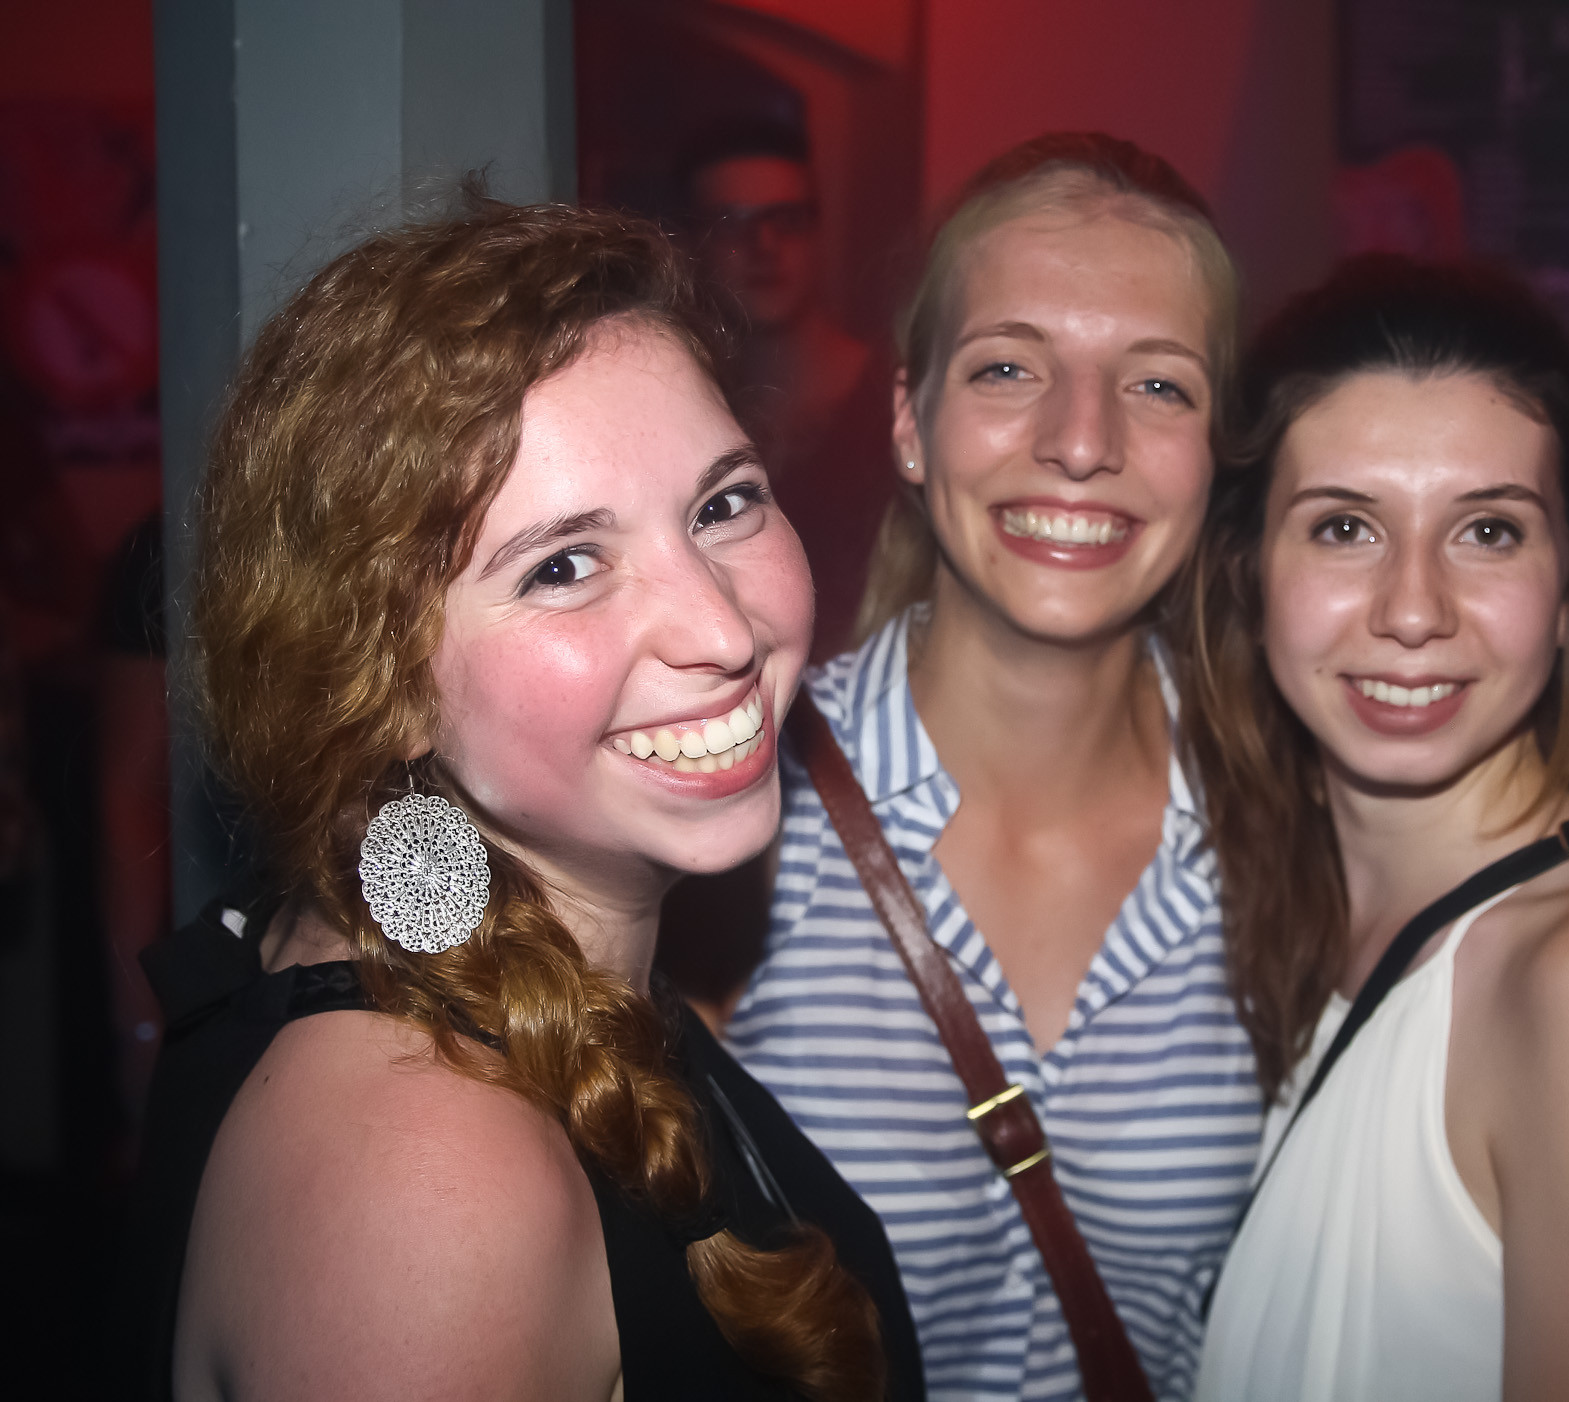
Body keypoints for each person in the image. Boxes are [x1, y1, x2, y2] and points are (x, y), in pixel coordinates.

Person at [120, 195, 922, 1401]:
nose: (721, 630)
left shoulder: (489, 975)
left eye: (724, 503)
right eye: (564, 565)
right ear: (380, 682)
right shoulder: (424, 1174)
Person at [1187, 256, 1569, 1402]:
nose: (1414, 609)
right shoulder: (1291, 912)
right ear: (1250, 573)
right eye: (1344, 526)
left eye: (1490, 532)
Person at [725, 133, 1261, 1401]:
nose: (1080, 441)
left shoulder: (1288, 824)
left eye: (1159, 384)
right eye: (1010, 367)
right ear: (910, 422)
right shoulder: (740, 807)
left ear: (1216, 452)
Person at [683, 119, 893, 660]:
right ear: (695, 242)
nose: (764, 246)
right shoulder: (675, 414)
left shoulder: (894, 399)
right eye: (732, 224)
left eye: (787, 220)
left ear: (820, 232)